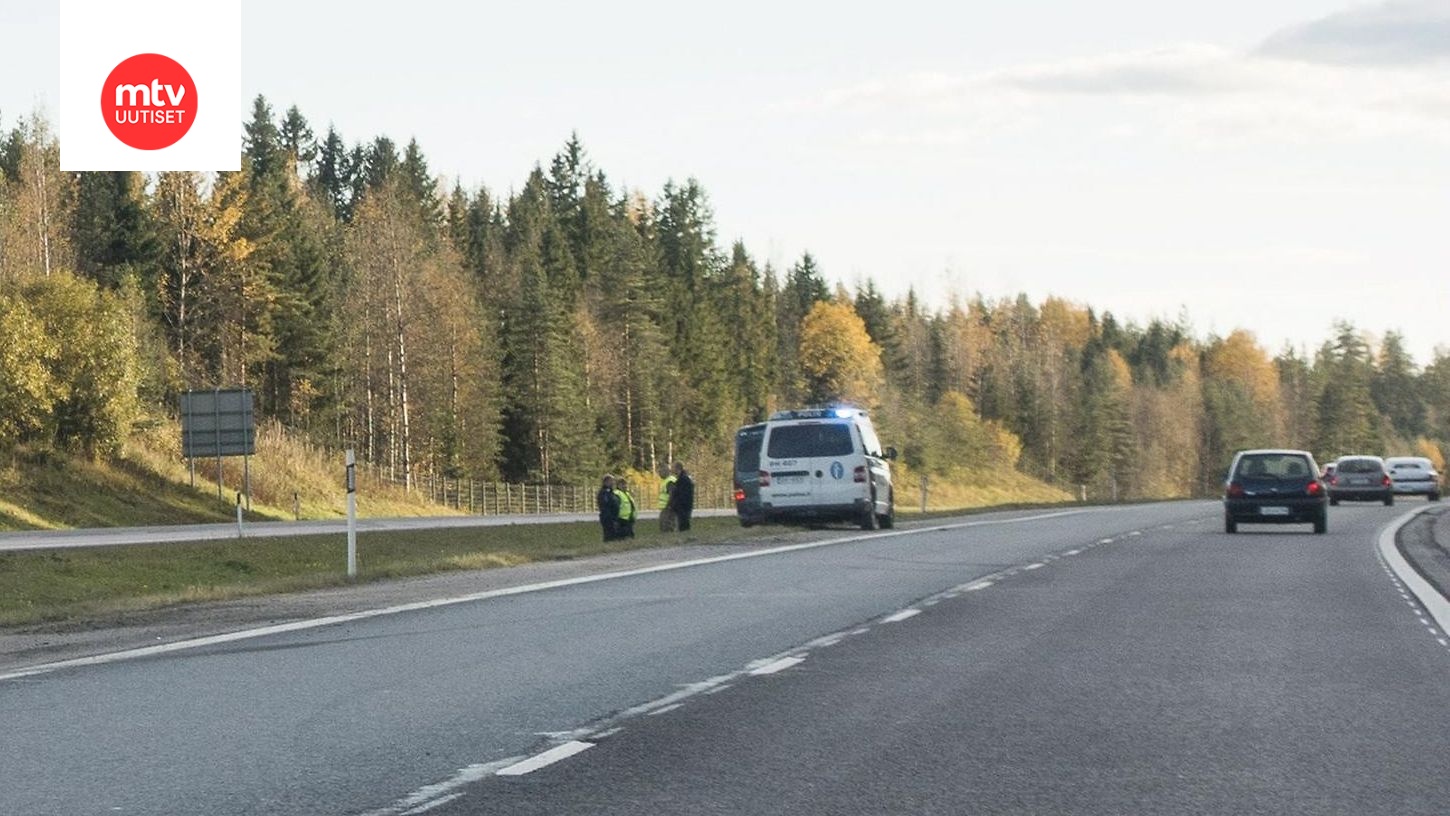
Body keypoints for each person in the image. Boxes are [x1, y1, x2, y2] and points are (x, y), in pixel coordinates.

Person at [669, 461, 695, 532]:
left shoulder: (683, 479)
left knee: (683, 524)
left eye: (673, 468)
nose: (672, 470)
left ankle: (685, 536)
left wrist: (676, 503)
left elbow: (682, 494)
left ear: (678, 469)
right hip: (682, 506)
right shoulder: (680, 479)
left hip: (683, 506)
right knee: (682, 523)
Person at [597, 475, 620, 541]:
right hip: (608, 517)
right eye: (611, 481)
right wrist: (610, 517)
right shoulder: (604, 493)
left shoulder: (611, 492)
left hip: (614, 517)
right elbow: (605, 505)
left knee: (614, 534)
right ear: (606, 482)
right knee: (609, 534)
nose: (613, 483)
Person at [657, 464, 678, 533]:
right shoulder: (666, 480)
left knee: (667, 528)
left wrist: (669, 506)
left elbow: (673, 494)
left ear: (666, 471)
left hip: (668, 509)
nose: (659, 474)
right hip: (667, 508)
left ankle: (669, 542)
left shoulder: (670, 481)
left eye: (660, 472)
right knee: (664, 527)